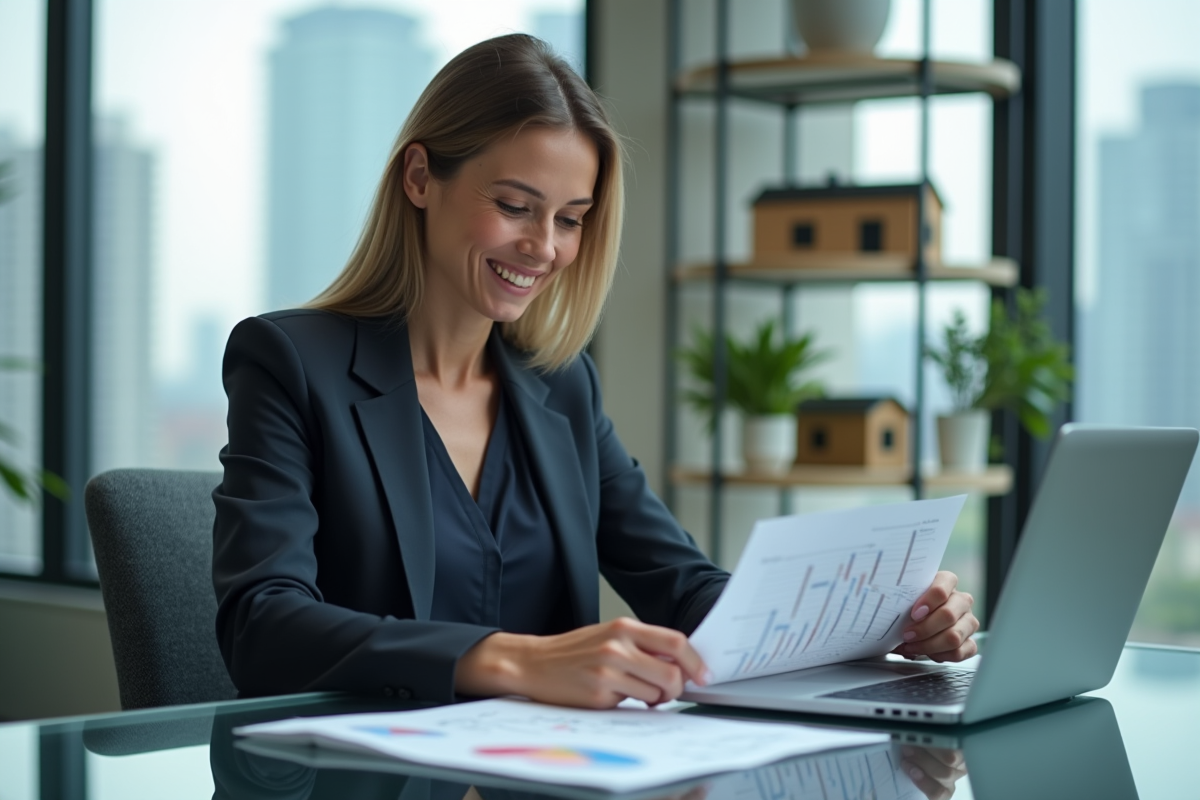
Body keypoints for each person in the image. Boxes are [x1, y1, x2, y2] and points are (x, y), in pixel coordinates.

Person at [212, 34, 979, 710]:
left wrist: (884, 623)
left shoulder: (560, 387)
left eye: (571, 218)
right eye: (515, 205)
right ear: (419, 177)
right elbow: (264, 625)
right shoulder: (290, 363)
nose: (544, 247)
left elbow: (684, 589)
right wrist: (516, 659)